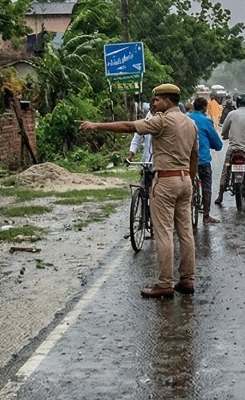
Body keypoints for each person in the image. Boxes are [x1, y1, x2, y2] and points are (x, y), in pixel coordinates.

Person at [81, 83, 198, 298]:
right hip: (185, 181)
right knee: (185, 232)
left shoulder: (162, 120)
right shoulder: (190, 123)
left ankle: (164, 284)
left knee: (163, 233)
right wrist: (189, 178)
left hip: (165, 181)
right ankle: (187, 280)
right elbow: (194, 157)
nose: (154, 103)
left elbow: (129, 127)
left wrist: (96, 125)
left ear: (168, 101)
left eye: (157, 99)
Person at [188, 96, 224, 224]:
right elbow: (217, 144)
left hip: (186, 161)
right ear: (204, 107)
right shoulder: (206, 121)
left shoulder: (186, 118)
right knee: (206, 185)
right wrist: (214, 145)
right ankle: (206, 216)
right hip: (202, 160)